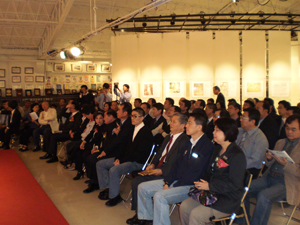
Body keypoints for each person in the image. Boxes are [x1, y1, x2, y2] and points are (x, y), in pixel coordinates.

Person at [136, 113, 214, 225]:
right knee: (143, 188)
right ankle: (147, 219)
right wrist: (168, 181)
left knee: (160, 196)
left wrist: (174, 184)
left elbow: (197, 172)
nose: (186, 126)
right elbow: (176, 166)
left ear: (199, 127)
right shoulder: (188, 144)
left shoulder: (206, 146)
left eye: (190, 123)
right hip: (177, 181)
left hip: (191, 186)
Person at [180, 118, 246, 225]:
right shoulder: (218, 149)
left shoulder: (237, 155)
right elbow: (209, 171)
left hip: (227, 199)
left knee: (196, 215)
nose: (213, 133)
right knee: (185, 206)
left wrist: (210, 186)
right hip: (212, 193)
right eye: (214, 130)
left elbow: (235, 185)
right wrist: (201, 182)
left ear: (228, 132)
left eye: (217, 130)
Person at [126, 113, 189, 225]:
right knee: (137, 177)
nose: (171, 124)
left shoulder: (184, 141)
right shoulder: (169, 137)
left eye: (174, 122)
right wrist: (153, 164)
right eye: (171, 121)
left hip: (168, 172)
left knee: (138, 182)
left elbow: (176, 163)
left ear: (183, 125)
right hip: (159, 167)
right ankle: (142, 214)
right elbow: (159, 153)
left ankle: (144, 215)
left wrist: (162, 171)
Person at [243, 115, 300, 225]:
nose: (289, 132)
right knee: (244, 189)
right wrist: (268, 158)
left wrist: (286, 165)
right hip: (270, 177)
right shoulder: (280, 142)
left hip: (287, 183)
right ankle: (243, 220)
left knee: (264, 196)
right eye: (287, 128)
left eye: (293, 129)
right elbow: (269, 164)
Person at [97, 107, 153, 207]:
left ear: (142, 118)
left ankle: (114, 196)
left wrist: (121, 161)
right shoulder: (132, 129)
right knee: (100, 164)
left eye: (135, 116)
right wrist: (118, 158)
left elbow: (139, 154)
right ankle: (108, 188)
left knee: (114, 170)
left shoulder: (146, 132)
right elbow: (124, 147)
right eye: (132, 116)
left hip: (136, 162)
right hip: (126, 159)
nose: (132, 118)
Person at [83, 103, 133, 193]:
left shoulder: (127, 124)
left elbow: (118, 141)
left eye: (119, 110)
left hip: (118, 152)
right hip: (110, 149)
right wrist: (99, 148)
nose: (117, 111)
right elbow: (104, 136)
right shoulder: (119, 123)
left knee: (95, 160)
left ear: (125, 113)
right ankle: (95, 181)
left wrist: (104, 151)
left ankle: (99, 184)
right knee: (89, 156)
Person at [236, 108, 268, 178]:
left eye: (243, 118)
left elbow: (255, 160)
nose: (240, 120)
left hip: (248, 170)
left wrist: (236, 165)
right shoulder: (239, 131)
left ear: (253, 121)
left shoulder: (260, 138)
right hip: (235, 164)